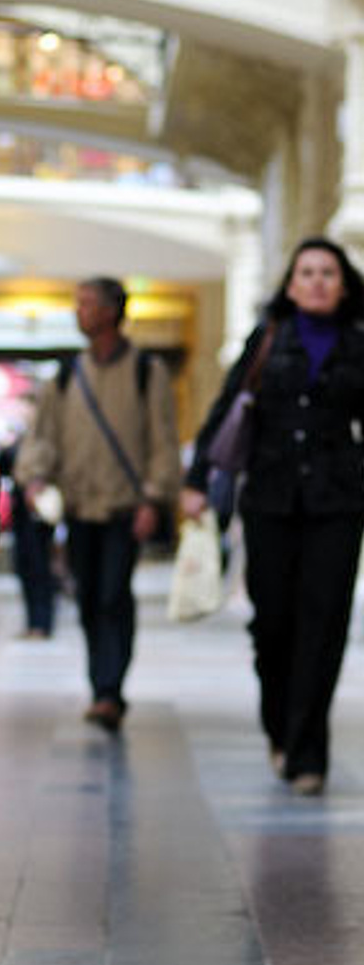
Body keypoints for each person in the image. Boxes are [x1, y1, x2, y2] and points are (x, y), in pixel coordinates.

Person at [181, 237, 364, 796]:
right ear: (290, 284)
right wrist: (196, 483)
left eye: (327, 272)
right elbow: (225, 407)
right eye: (305, 271)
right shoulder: (267, 339)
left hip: (337, 502)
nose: (315, 281)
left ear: (343, 284)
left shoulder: (359, 344)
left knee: (324, 624)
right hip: (269, 500)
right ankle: (280, 727)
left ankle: (309, 753)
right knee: (273, 625)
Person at [14, 277, 179, 732]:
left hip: (127, 507)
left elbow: (163, 440)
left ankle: (110, 691)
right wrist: (34, 478)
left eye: (86, 303)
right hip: (78, 507)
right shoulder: (66, 375)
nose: (78, 311)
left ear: (112, 311)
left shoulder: (147, 371)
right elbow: (43, 436)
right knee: (87, 598)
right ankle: (99, 685)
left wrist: (154, 497)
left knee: (113, 594)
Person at [0, 424, 57, 638]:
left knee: (40, 568)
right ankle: (32, 622)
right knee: (25, 568)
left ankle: (42, 624)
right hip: (22, 514)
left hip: (39, 515)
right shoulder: (19, 442)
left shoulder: (46, 445)